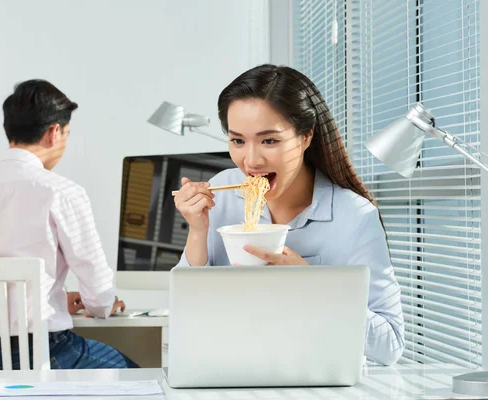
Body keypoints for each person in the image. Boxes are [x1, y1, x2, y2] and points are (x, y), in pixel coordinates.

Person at [173, 64, 405, 366]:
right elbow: (187, 316)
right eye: (238, 141)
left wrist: (311, 285)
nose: (251, 160)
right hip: (229, 372)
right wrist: (197, 231)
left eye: (269, 140)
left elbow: (390, 346)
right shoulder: (221, 194)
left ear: (306, 136)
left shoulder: (355, 217)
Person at [0, 79, 138, 370]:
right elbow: (97, 289)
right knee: (135, 374)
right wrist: (102, 303)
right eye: (67, 134)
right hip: (46, 354)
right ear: (53, 132)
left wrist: (59, 298)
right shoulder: (60, 191)